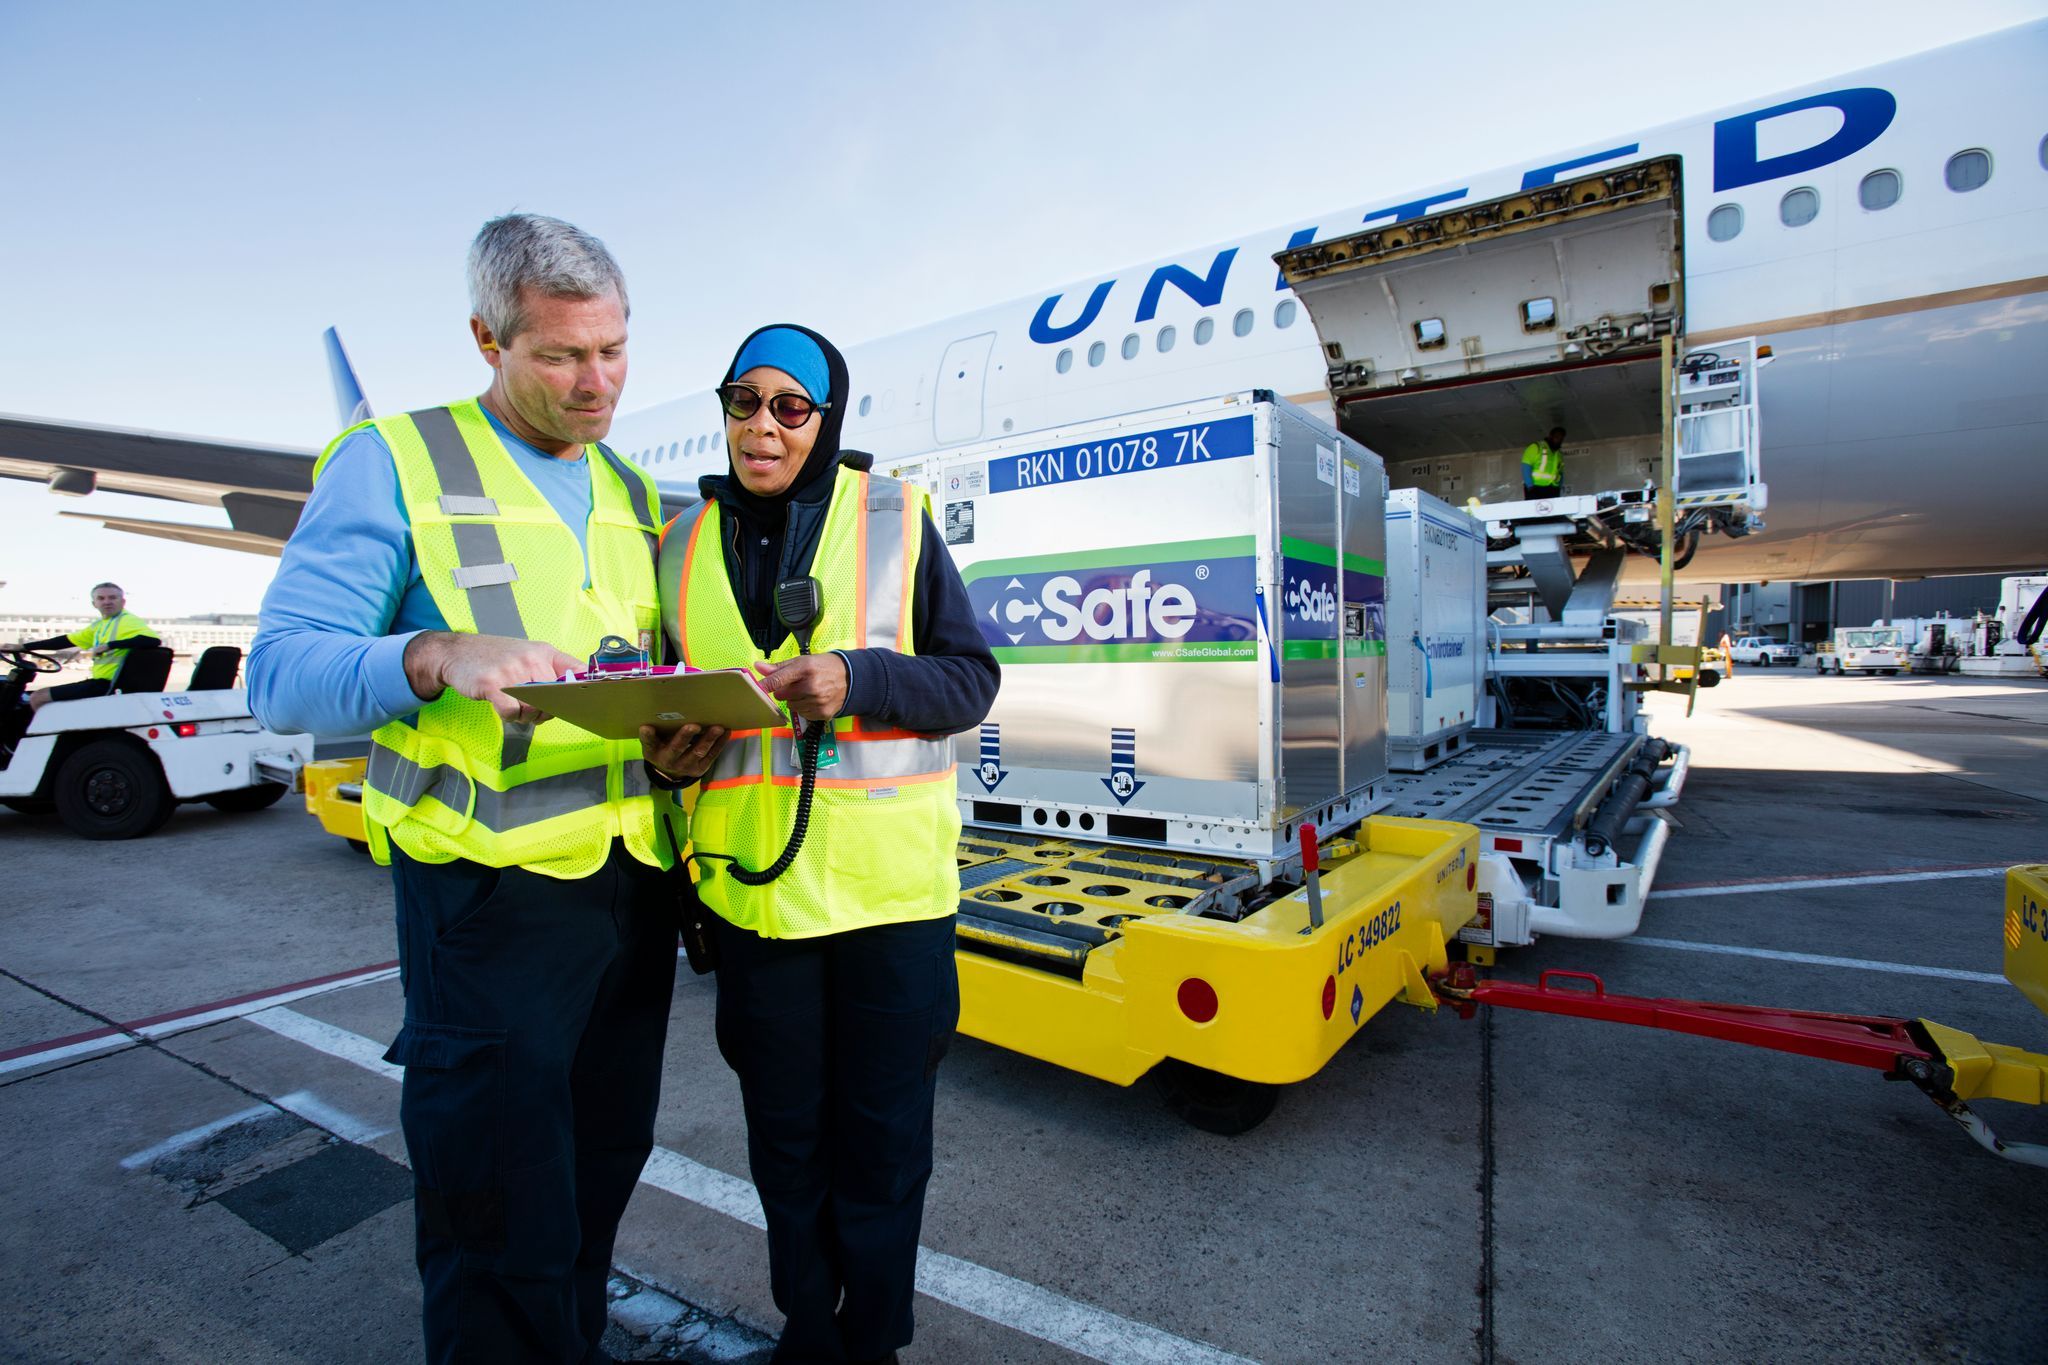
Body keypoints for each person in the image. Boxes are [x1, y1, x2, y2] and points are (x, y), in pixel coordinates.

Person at [247, 214, 709, 1365]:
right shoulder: (394, 461)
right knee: (496, 1201)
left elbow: (626, 675)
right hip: (487, 900)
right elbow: (279, 672)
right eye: (560, 356)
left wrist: (671, 742)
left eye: (612, 350)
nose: (595, 382)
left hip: (630, 887)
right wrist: (430, 655)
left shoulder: (628, 491)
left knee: (599, 1169)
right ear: (485, 339)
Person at [647, 324, 998, 1365]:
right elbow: (660, 723)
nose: (762, 426)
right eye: (742, 402)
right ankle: (806, 1329)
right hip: (754, 907)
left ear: (824, 417)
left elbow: (969, 681)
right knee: (785, 1148)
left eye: (788, 407)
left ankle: (874, 1340)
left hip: (889, 908)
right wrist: (665, 765)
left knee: (883, 1149)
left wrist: (860, 676)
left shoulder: (895, 516)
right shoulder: (675, 547)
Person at [4, 582, 160, 710]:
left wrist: (110, 645)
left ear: (123, 601)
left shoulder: (126, 620)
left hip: (107, 684)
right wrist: (23, 647)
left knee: (38, 697)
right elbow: (65, 641)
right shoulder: (100, 625)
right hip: (107, 683)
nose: (107, 602)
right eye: (101, 598)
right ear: (94, 603)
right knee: (37, 695)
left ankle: (38, 743)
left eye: (112, 597)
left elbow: (152, 641)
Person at [1521, 426, 1566, 494]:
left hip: (1553, 488)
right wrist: (1529, 485)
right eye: (1556, 437)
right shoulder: (1536, 447)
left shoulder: (1559, 454)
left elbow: (1560, 472)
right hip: (1535, 487)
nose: (1558, 440)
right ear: (1550, 436)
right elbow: (1526, 466)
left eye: (1561, 439)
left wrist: (1559, 486)